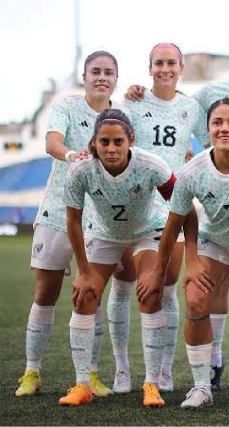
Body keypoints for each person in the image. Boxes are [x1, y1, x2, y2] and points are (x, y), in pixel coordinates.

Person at [127, 31, 229, 391]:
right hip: (218, 217)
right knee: (204, 291)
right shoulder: (205, 100)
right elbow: (176, 105)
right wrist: (144, 93)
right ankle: (210, 369)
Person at [15, 51, 119, 398]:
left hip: (99, 219)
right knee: (46, 292)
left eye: (108, 72)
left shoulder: (119, 116)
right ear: (85, 76)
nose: (101, 77)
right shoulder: (66, 105)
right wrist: (72, 154)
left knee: (93, 294)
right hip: (59, 212)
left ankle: (91, 374)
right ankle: (32, 372)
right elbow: (51, 142)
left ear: (115, 79)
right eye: (95, 72)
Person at [106, 42, 208, 395]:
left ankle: (164, 370)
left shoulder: (192, 107)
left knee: (165, 287)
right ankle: (122, 369)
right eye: (158, 63)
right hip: (132, 205)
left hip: (172, 204)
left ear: (181, 67)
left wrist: (190, 158)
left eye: (171, 63)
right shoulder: (132, 102)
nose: (164, 69)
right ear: (149, 68)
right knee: (123, 283)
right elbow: (113, 142)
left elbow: (209, 144)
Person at [59, 109, 177, 407]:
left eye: (118, 142)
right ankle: (82, 384)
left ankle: (151, 384)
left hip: (147, 231)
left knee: (150, 294)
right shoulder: (80, 170)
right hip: (103, 234)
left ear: (130, 141)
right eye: (104, 142)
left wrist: (160, 265)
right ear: (94, 142)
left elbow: (181, 206)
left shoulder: (151, 165)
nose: (111, 148)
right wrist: (83, 270)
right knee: (84, 295)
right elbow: (72, 221)